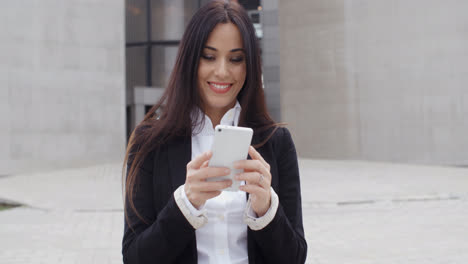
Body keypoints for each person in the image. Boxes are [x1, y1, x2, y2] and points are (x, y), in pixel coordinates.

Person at [122, 1, 307, 263]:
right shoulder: (150, 142)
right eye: (208, 56)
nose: (222, 71)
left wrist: (266, 209)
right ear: (190, 60)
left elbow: (295, 257)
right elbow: (134, 257)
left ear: (250, 65)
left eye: (236, 59)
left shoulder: (276, 143)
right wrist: (185, 204)